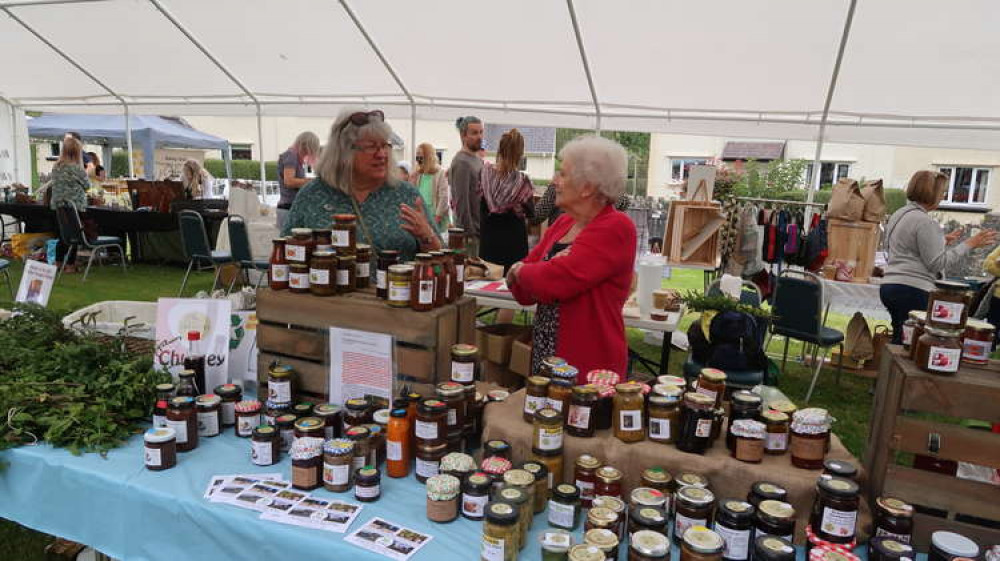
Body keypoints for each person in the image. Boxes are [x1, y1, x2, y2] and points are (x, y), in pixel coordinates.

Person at [507, 135, 637, 381]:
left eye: (563, 174)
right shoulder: (563, 223)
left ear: (587, 187)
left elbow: (555, 281)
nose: (555, 181)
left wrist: (523, 270)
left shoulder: (616, 227)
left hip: (588, 365)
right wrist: (533, 271)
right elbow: (523, 293)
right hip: (546, 356)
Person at [282, 109, 441, 263]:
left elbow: (442, 259)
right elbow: (282, 253)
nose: (382, 154)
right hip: (329, 289)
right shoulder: (313, 195)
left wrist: (427, 236)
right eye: (372, 146)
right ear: (344, 152)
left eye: (385, 146)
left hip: (397, 288)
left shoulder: (406, 194)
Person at [880, 170, 998, 343]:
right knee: (914, 343)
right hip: (913, 289)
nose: (943, 196)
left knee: (900, 339)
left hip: (891, 285)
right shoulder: (925, 222)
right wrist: (969, 244)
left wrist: (940, 241)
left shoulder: (901, 214)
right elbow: (937, 264)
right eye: (942, 192)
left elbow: (907, 247)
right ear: (931, 193)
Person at [479, 128, 535, 272]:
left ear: (500, 149)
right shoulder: (523, 182)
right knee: (511, 285)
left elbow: (478, 204)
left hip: (489, 238)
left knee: (486, 282)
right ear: (520, 153)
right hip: (513, 242)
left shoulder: (484, 174)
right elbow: (531, 213)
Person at [49, 136, 90, 271]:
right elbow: (87, 185)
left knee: (63, 235)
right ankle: (70, 265)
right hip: (75, 206)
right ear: (77, 152)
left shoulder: (56, 167)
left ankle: (58, 262)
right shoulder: (77, 169)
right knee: (75, 235)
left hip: (59, 206)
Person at [449, 116, 484, 257]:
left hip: (479, 231)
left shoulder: (477, 159)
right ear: (463, 135)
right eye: (474, 133)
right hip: (470, 235)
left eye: (481, 132)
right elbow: (461, 203)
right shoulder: (462, 162)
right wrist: (469, 234)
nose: (479, 137)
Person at [276, 131, 321, 230]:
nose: (311, 152)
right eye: (312, 148)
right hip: (288, 207)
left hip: (290, 207)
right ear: (305, 145)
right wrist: (311, 182)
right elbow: (289, 181)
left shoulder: (296, 158)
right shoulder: (291, 156)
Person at [412, 142, 450, 233]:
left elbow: (444, 197)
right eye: (417, 156)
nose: (418, 159)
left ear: (428, 156)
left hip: (435, 216)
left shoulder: (440, 172)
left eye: (421, 156)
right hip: (421, 215)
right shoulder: (418, 173)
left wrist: (437, 217)